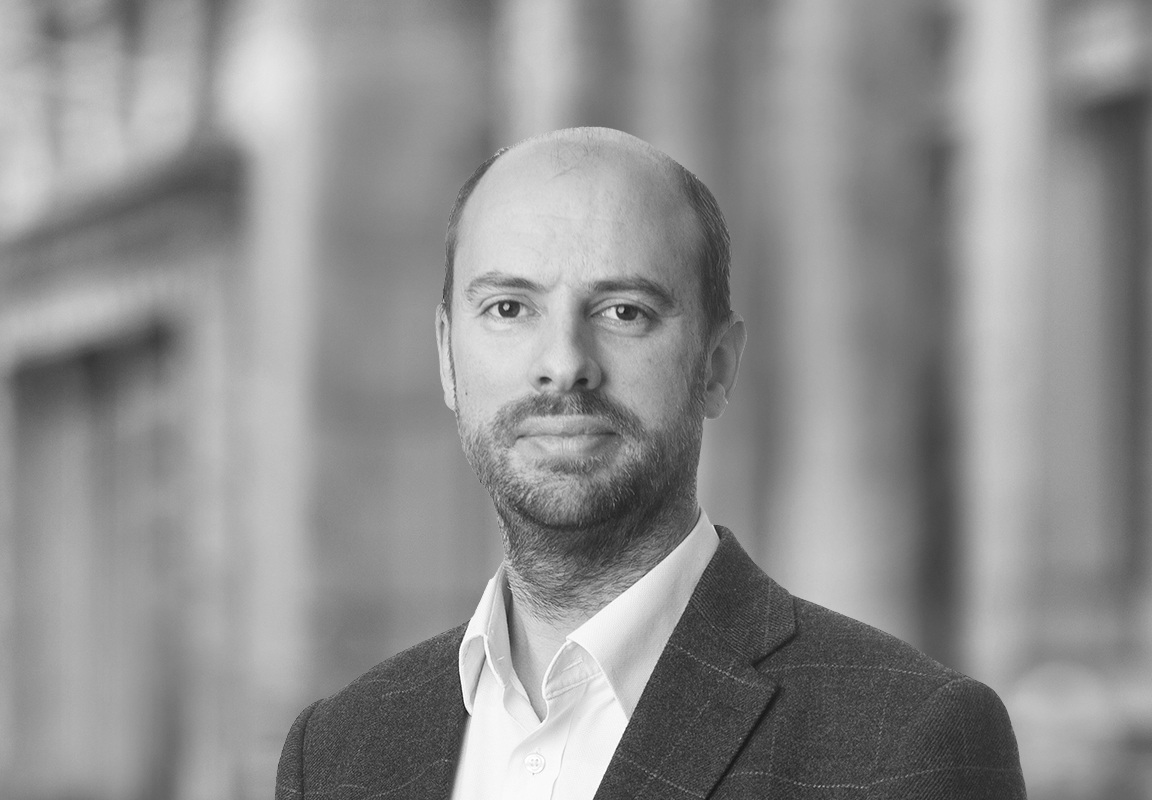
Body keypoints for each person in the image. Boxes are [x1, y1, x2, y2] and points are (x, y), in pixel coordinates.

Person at [275, 128, 1026, 799]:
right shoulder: (338, 755)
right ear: (446, 355)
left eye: (624, 312)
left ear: (717, 366)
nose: (564, 363)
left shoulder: (906, 744)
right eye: (509, 308)